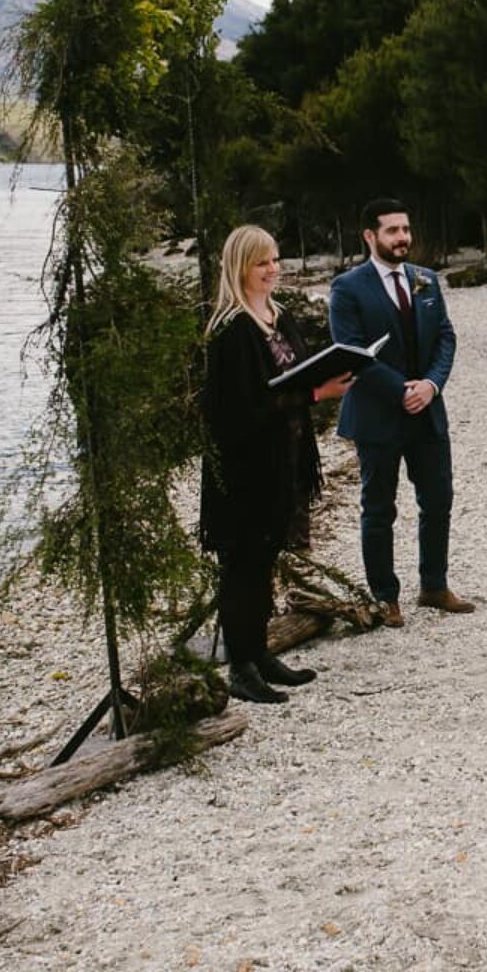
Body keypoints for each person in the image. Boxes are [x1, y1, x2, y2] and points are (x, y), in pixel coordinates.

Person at [201, 224, 354, 705]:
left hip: (283, 459)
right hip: (245, 470)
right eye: (261, 262)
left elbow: (298, 371)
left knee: (265, 558)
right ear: (239, 268)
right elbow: (238, 410)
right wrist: (314, 393)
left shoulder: (277, 316)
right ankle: (241, 667)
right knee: (241, 565)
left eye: (275, 259)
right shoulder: (230, 330)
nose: (272, 269)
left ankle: (260, 652)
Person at [327, 198, 470, 627]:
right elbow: (349, 352)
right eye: (392, 230)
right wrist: (400, 390)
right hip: (377, 414)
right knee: (378, 508)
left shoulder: (427, 280)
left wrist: (430, 385)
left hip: (427, 409)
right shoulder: (347, 287)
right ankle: (385, 597)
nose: (402, 237)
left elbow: (445, 337)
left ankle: (434, 586)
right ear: (370, 236)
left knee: (438, 500)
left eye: (405, 229)